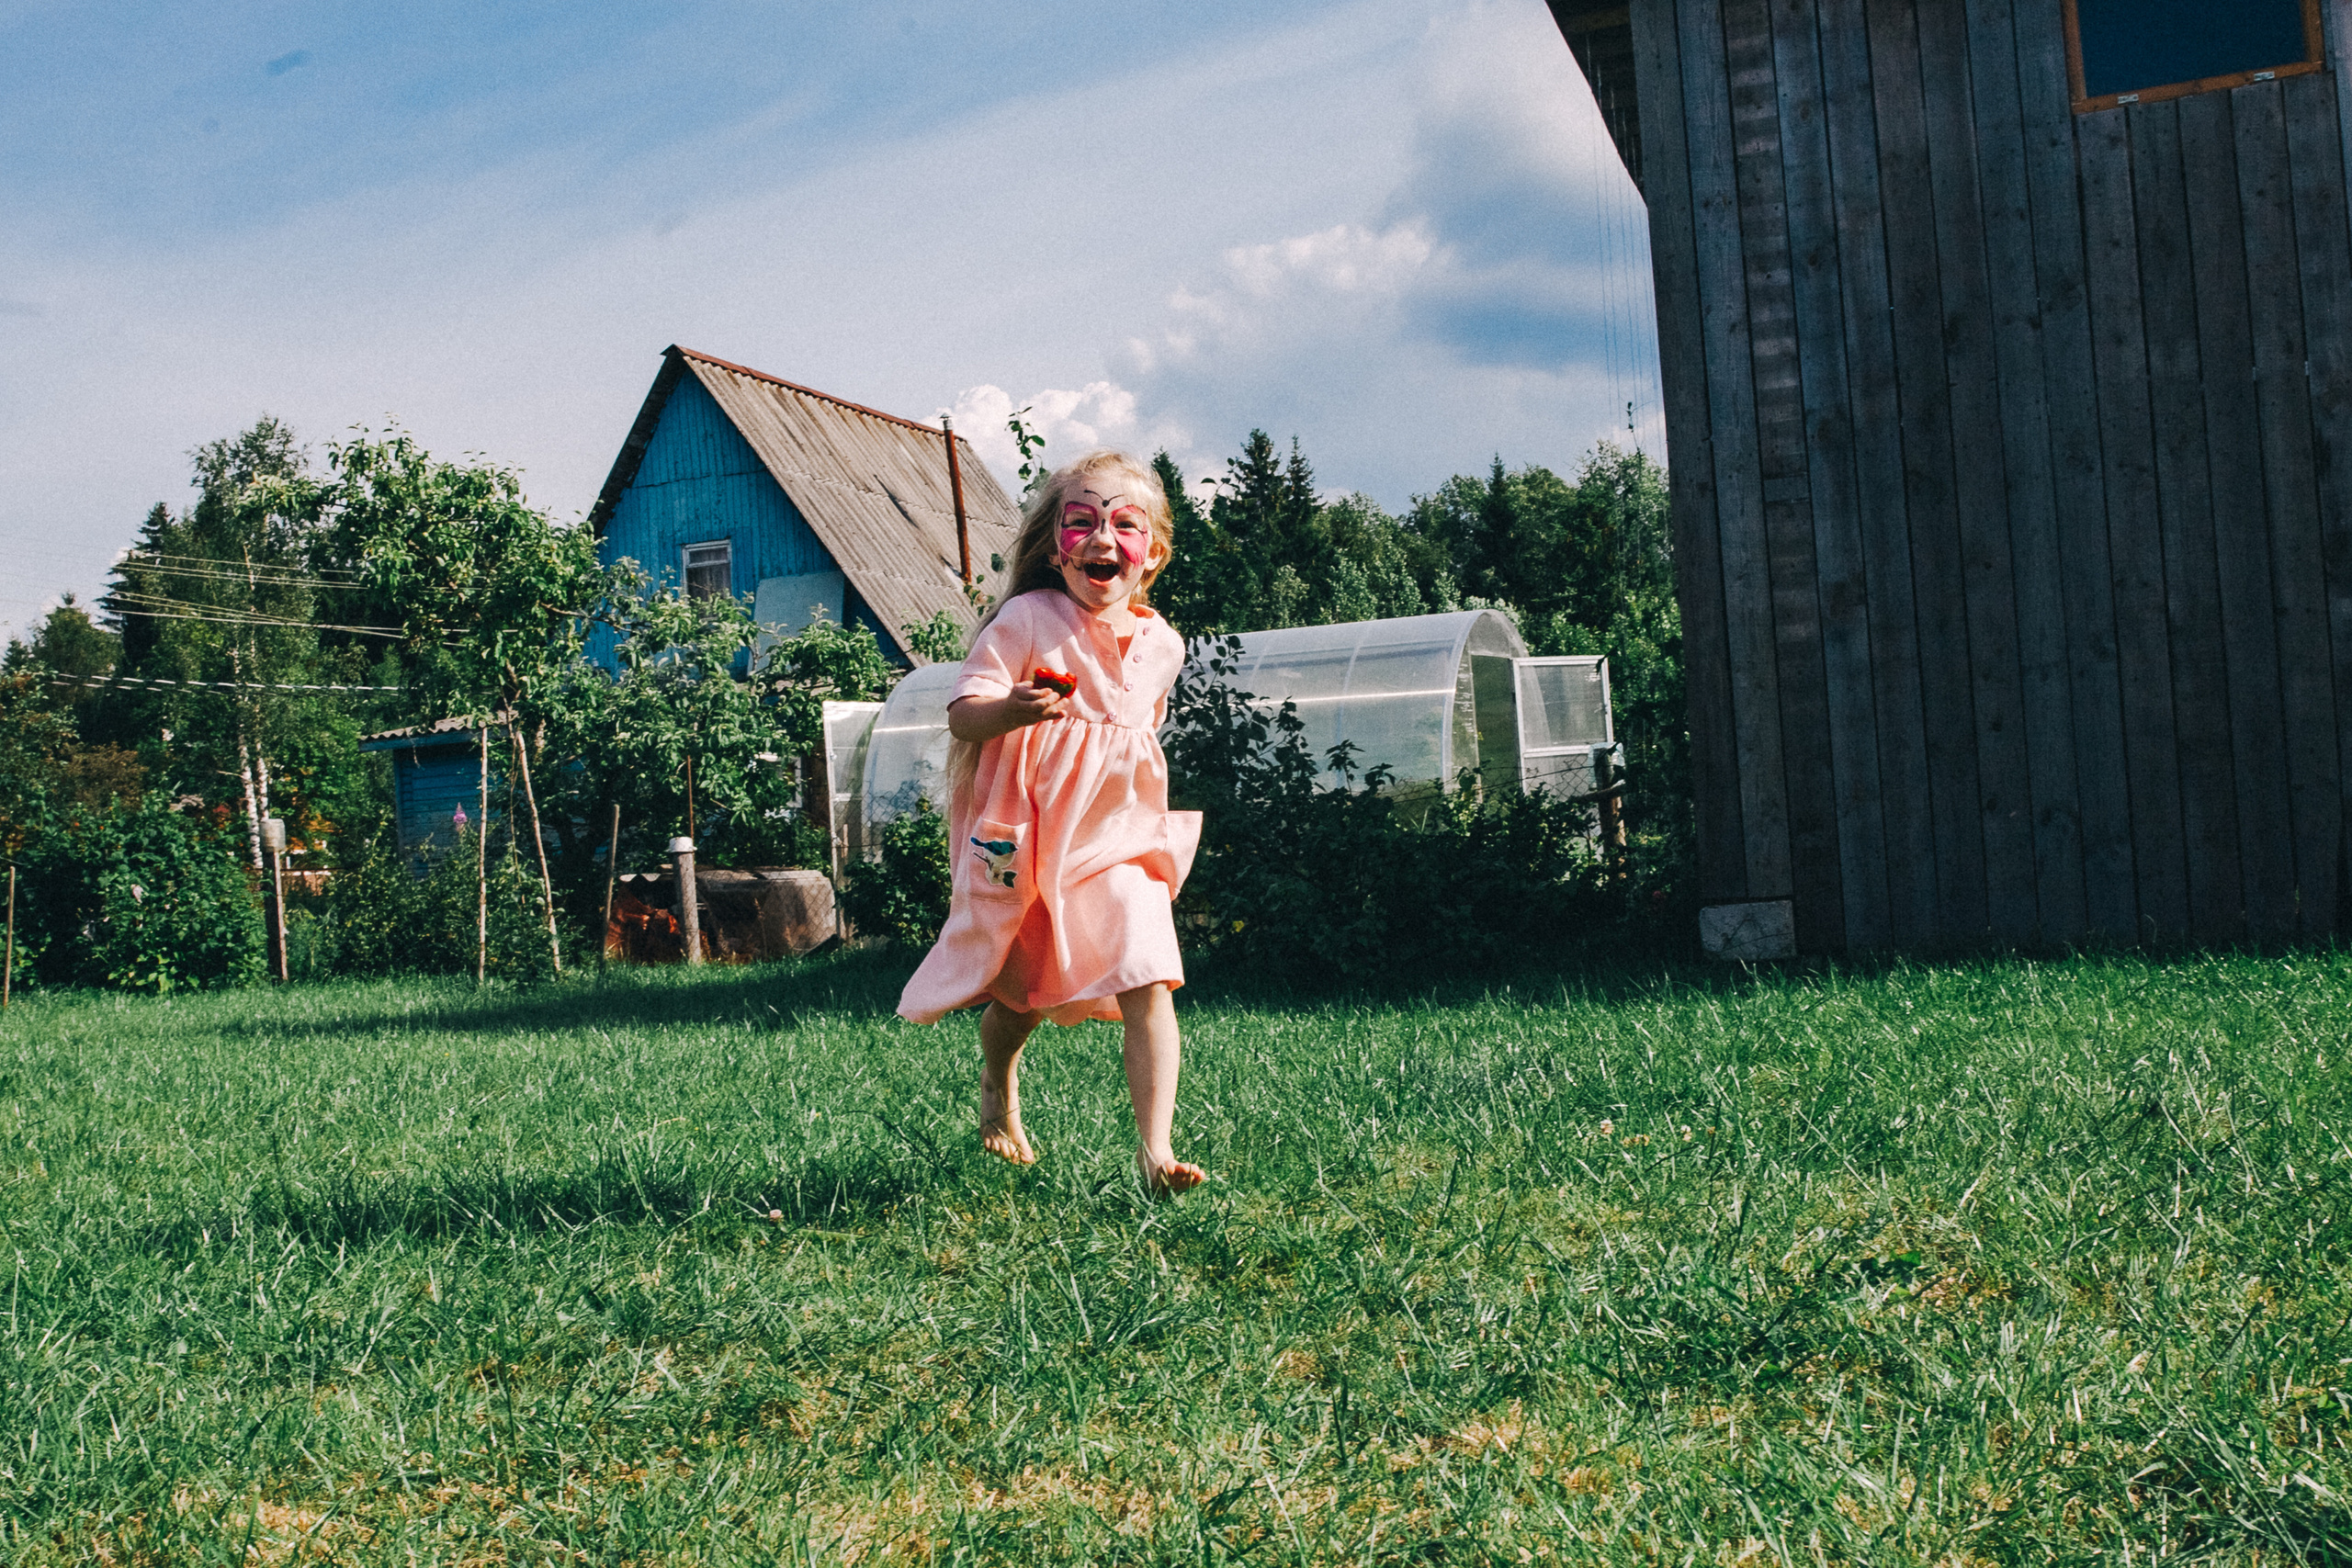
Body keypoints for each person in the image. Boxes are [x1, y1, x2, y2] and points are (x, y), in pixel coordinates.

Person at [897, 450, 1207, 1191]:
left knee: (1151, 975)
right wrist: (1012, 709)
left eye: (1124, 525)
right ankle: (997, 1084)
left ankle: (1155, 1152)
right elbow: (967, 718)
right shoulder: (1029, 619)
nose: (1103, 537)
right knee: (1018, 990)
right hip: (1032, 841)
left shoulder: (1164, 646)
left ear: (1152, 554)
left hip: (1121, 842)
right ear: (1055, 544)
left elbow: (1132, 742)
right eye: (1082, 522)